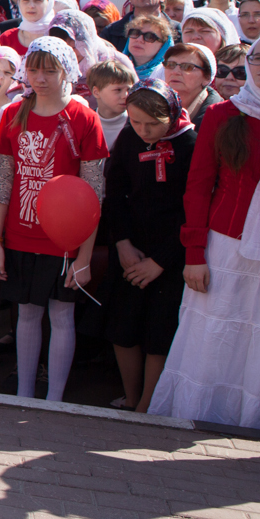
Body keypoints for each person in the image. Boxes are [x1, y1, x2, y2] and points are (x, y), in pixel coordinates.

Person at [148, 31, 260, 429]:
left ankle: (258, 421)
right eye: (258, 58)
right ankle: (201, 418)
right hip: (226, 247)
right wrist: (194, 254)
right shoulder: (227, 115)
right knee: (215, 339)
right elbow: (197, 186)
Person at [0, 38, 108, 402]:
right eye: (34, 69)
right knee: (26, 314)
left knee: (61, 316)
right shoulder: (12, 114)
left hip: (64, 239)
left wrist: (84, 256)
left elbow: (94, 191)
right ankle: (24, 393)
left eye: (50, 70)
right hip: (19, 234)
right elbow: (3, 180)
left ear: (66, 71)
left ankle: (54, 399)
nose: (40, 78)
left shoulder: (85, 118)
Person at [103, 83, 194, 413]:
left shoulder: (190, 144)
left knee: (160, 332)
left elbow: (193, 212)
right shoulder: (129, 138)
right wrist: (123, 244)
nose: (143, 131)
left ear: (170, 115)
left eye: (152, 125)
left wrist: (160, 261)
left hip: (170, 255)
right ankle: (131, 394)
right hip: (131, 248)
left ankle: (147, 404)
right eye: (136, 121)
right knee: (123, 327)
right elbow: (115, 194)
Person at [85, 56, 137, 152]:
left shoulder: (137, 125)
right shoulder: (84, 124)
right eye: (118, 90)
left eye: (129, 90)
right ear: (96, 92)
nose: (125, 96)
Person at [122, 10, 173, 84]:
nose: (139, 40)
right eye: (135, 33)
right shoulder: (113, 67)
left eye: (149, 37)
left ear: (163, 46)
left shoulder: (167, 75)